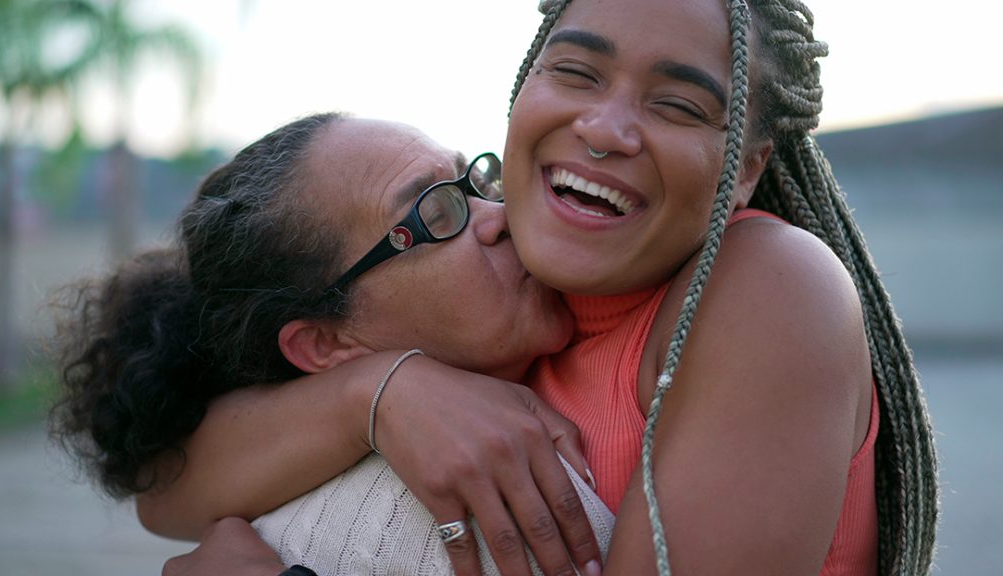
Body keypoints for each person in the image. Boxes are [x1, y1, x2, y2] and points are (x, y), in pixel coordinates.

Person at [101, 0, 943, 574]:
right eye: (576, 72)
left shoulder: (766, 286)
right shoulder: (502, 320)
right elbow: (166, 496)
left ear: (748, 166)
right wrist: (380, 395)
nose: (605, 129)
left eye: (680, 106)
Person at [48, 112, 613, 576]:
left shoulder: (614, 269)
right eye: (435, 214)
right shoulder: (378, 525)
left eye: (476, 184)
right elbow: (162, 496)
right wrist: (381, 391)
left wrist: (378, 388)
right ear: (324, 342)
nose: (503, 215)